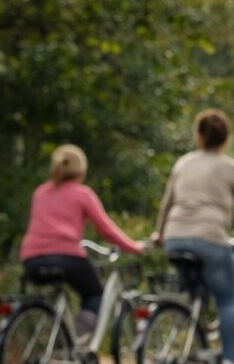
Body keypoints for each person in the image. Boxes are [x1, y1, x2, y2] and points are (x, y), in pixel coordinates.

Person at [155, 109, 234, 364]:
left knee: (196, 295)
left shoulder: (183, 163)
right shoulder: (231, 167)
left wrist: (159, 234)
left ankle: (195, 344)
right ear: (226, 138)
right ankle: (229, 361)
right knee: (229, 299)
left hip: (174, 238)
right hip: (209, 238)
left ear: (198, 135)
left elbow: (166, 204)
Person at [19, 144, 146, 341]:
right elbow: (106, 230)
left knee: (62, 294)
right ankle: (77, 340)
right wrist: (134, 246)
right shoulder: (82, 193)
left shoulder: (41, 192)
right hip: (65, 257)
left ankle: (62, 341)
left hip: (31, 260)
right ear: (81, 171)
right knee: (94, 293)